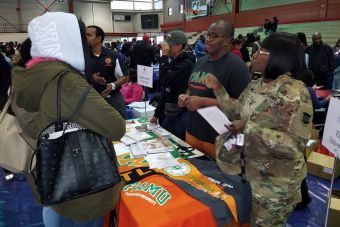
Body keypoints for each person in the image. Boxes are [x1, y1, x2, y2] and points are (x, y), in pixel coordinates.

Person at [11, 12, 126, 226]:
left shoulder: (30, 76)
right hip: (83, 191)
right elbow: (117, 126)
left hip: (53, 179)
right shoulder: (67, 82)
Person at [203, 32, 313, 226]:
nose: (254, 55)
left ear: (279, 57)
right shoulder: (256, 85)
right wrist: (218, 89)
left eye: (261, 50)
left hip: (275, 185)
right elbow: (237, 112)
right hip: (249, 173)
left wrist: (249, 128)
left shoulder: (294, 92)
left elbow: (293, 145)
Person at [178, 20, 251, 159]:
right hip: (192, 133)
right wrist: (184, 97)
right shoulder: (200, 62)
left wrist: (203, 101)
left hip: (218, 141)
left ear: (227, 41)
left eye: (214, 36)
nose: (208, 39)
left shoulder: (238, 67)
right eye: (207, 34)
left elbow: (242, 107)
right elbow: (192, 89)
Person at [150, 30, 195, 140]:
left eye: (169, 45)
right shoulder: (173, 61)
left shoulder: (186, 64)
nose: (166, 48)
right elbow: (165, 90)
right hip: (170, 112)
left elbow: (164, 81)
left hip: (181, 113)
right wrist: (156, 114)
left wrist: (164, 58)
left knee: (177, 144)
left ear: (179, 46)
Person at [86, 25, 129, 119]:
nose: (86, 38)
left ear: (98, 38)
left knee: (121, 126)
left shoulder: (113, 55)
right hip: (91, 100)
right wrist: (90, 78)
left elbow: (125, 77)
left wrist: (113, 85)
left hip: (113, 98)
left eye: (89, 35)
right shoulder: (83, 57)